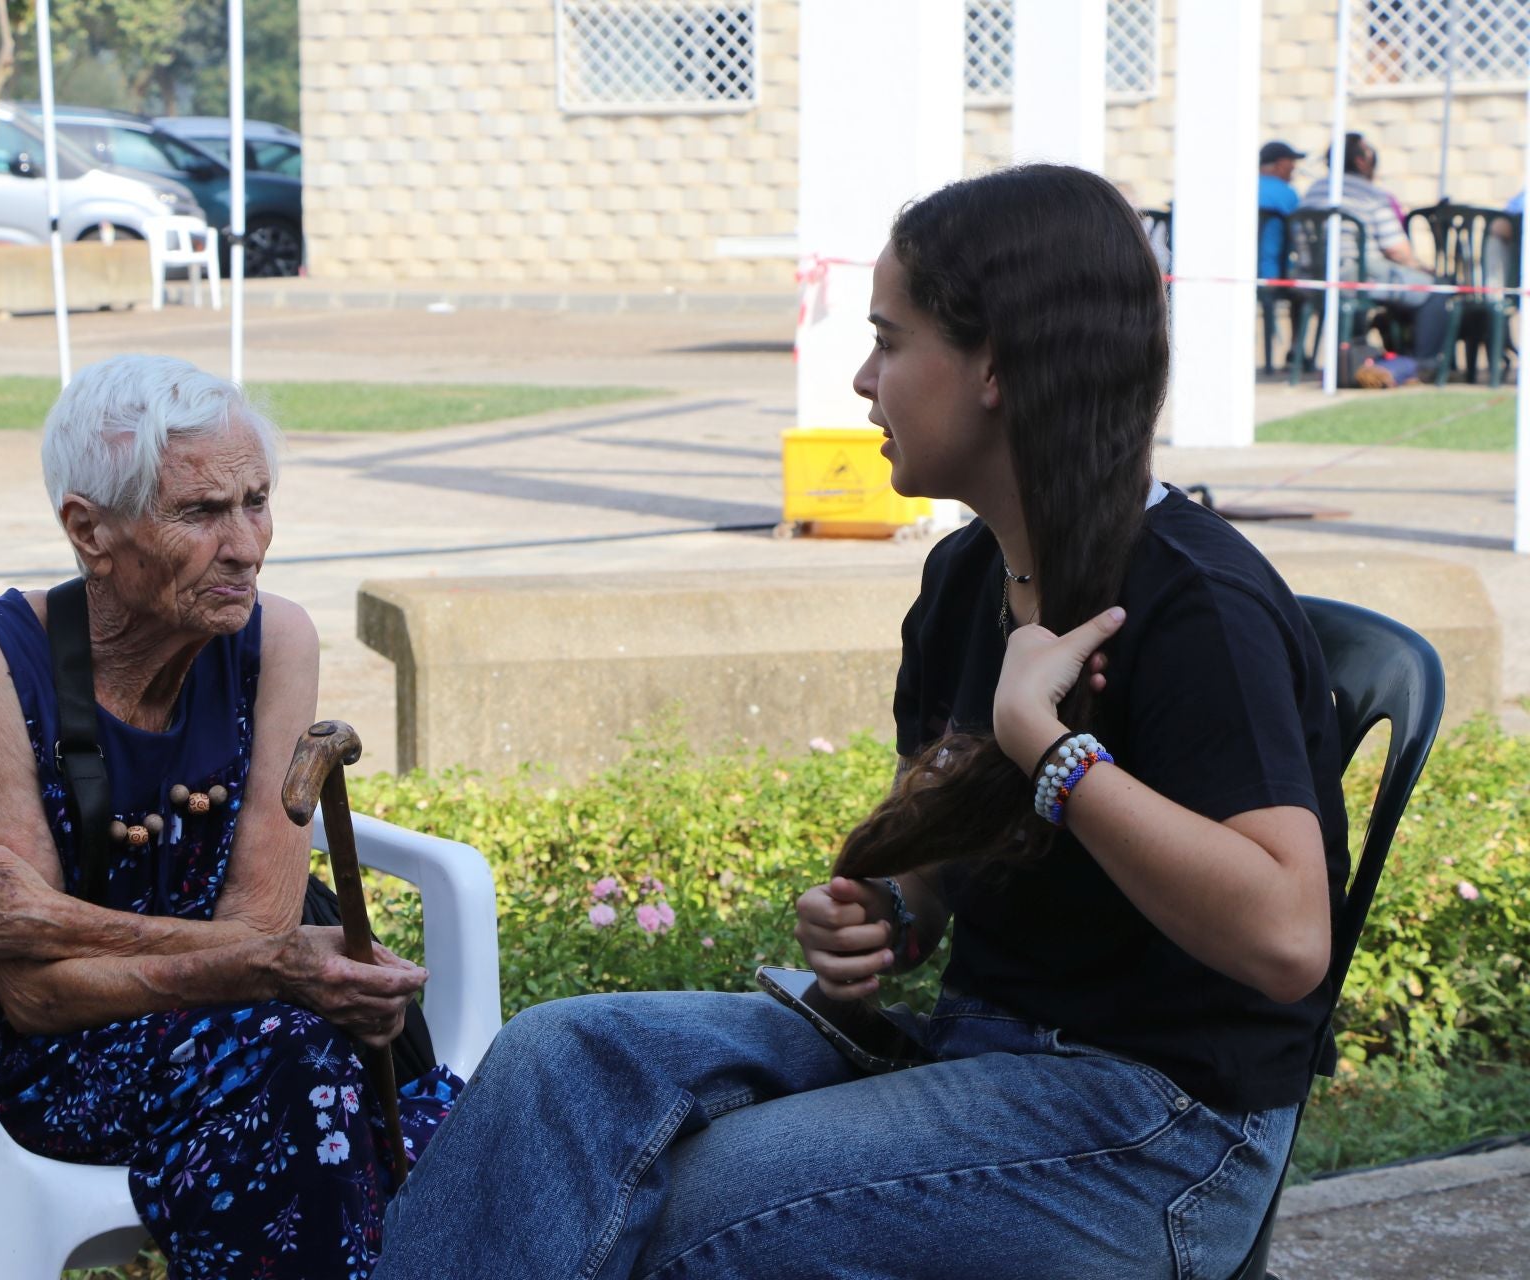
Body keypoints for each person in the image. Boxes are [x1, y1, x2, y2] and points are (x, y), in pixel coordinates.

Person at [373, 165, 1348, 1280]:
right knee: (556, 1059)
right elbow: (940, 860)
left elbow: (1285, 938)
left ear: (997, 365)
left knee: (705, 1204)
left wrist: (1056, 750)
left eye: (891, 340)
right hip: (978, 1057)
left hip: (1163, 1126)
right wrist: (893, 906)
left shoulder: (1196, 604)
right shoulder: (965, 575)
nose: (861, 377)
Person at [0, 355, 463, 1277]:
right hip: (35, 1066)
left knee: (410, 1103)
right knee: (305, 1067)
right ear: (89, 529)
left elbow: (266, 935)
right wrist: (257, 966)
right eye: (200, 513)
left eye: (257, 500)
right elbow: (34, 995)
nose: (247, 544)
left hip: (248, 1021)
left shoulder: (276, 640)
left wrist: (59, 921)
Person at [1299, 131, 1448, 371]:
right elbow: (1397, 250)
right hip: (1356, 275)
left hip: (1312, 277)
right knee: (1436, 290)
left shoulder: (1313, 190)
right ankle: (1423, 365)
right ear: (1361, 161)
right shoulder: (1370, 194)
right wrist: (1422, 268)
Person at [1257, 140, 1303, 278]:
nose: (1294, 167)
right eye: (1292, 162)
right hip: (1276, 276)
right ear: (1281, 164)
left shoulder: (1245, 189)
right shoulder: (1288, 194)